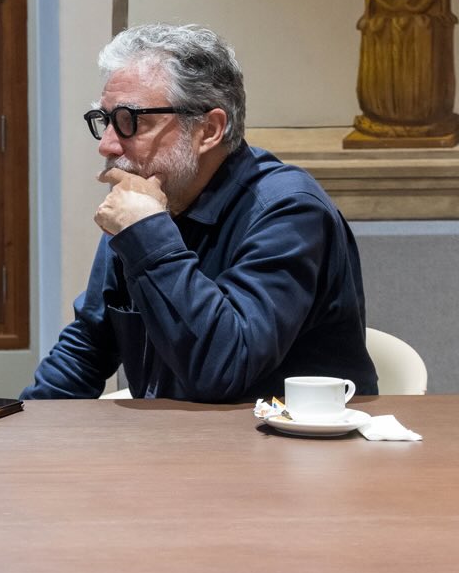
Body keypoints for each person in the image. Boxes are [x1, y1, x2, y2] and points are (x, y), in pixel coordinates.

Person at [23, 23, 377, 402]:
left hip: (288, 450)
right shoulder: (147, 203)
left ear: (208, 129)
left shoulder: (289, 210)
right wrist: (24, 436)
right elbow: (87, 348)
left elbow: (222, 371)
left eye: (130, 121)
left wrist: (147, 232)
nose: (108, 145)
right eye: (106, 121)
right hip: (178, 446)